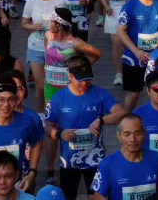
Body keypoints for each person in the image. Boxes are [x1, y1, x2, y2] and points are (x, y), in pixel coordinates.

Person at [43, 55, 126, 198]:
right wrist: (59, 134)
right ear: (70, 76)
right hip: (68, 162)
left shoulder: (100, 94)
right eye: (80, 79)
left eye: (88, 78)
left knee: (96, 197)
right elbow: (47, 127)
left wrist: (101, 120)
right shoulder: (57, 99)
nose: (85, 83)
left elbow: (120, 112)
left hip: (95, 160)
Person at [90, 114, 158, 200]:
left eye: (137, 133)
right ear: (119, 136)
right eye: (127, 134)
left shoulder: (157, 159)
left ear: (144, 134)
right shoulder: (107, 164)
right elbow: (96, 195)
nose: (132, 139)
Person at [99, 0, 138, 86]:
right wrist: (106, 6)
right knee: (117, 44)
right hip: (113, 12)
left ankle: (132, 69)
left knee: (131, 43)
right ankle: (118, 73)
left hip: (130, 13)